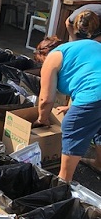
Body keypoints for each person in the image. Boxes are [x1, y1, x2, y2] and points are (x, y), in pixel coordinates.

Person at [34, 38, 101, 182]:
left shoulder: (52, 58)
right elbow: (89, 73)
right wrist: (72, 107)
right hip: (95, 93)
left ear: (43, 56)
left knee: (71, 126)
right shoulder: (86, 45)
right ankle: (99, 164)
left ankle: (64, 182)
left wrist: (42, 119)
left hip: (95, 93)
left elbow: (46, 100)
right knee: (98, 123)